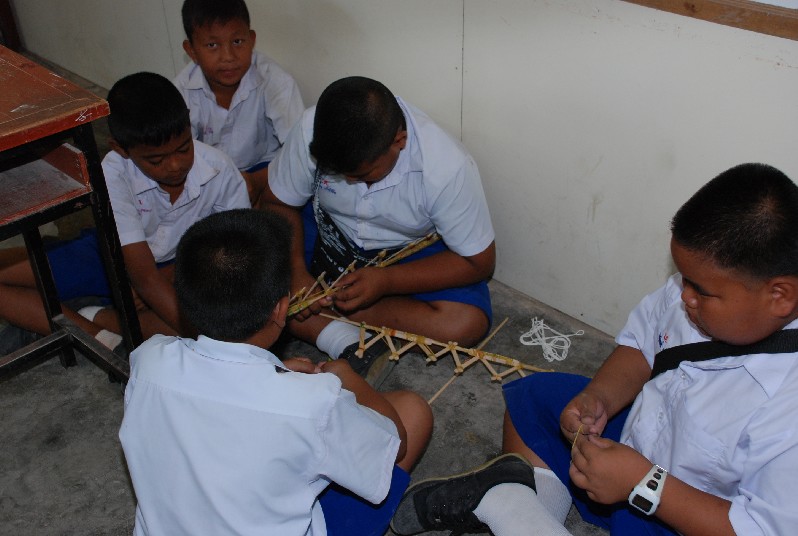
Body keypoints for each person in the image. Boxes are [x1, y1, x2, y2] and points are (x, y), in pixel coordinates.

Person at [390, 163, 798, 536]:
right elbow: (644, 346)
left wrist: (645, 484)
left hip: (690, 513)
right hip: (638, 450)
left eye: (701, 291)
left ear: (779, 296)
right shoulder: (698, 293)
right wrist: (599, 397)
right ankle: (520, 509)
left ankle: (515, 511)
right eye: (683, 279)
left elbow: (761, 528)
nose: (684, 295)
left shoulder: (788, 407)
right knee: (535, 400)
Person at [119, 209, 433, 536]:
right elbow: (396, 444)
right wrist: (344, 376)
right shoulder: (316, 404)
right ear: (282, 309)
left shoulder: (148, 361)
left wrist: (278, 374)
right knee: (412, 411)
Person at [263, 76, 496, 376]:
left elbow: (479, 262)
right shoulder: (311, 128)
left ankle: (331, 312)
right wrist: (296, 273)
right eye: (338, 172)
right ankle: (344, 337)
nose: (349, 181)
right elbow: (278, 204)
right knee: (252, 278)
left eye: (363, 174)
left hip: (406, 249)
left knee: (463, 324)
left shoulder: (446, 167)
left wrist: (387, 281)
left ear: (399, 141)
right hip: (325, 228)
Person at [0, 72, 249, 352]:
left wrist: (168, 277)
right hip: (108, 256)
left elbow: (236, 250)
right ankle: (95, 333)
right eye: (156, 160)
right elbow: (144, 277)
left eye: (183, 149)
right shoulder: (112, 173)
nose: (175, 165)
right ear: (121, 148)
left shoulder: (219, 169)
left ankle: (97, 315)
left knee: (216, 321)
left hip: (185, 267)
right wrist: (214, 345)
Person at [175, 0, 304, 208]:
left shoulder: (275, 81)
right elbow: (180, 158)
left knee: (288, 212)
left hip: (264, 170)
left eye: (237, 42)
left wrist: (258, 181)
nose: (228, 57)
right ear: (191, 51)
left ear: (251, 40)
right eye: (212, 45)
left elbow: (299, 151)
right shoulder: (180, 92)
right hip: (207, 176)